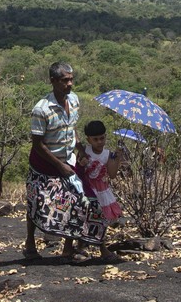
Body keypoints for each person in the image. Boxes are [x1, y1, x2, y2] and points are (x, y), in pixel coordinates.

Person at [24, 61, 97, 261]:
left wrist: (80, 148)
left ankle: (68, 247)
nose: (70, 84)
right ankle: (30, 243)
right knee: (35, 202)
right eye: (65, 80)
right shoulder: (42, 109)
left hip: (67, 158)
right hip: (44, 163)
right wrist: (59, 165)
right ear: (53, 81)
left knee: (76, 200)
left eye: (71, 79)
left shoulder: (73, 101)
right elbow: (38, 144)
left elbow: (71, 128)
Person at [75, 119, 125, 263]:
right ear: (89, 139)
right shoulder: (84, 151)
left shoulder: (108, 154)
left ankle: (101, 247)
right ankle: (81, 245)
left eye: (102, 138)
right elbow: (79, 171)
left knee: (102, 220)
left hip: (102, 191)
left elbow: (113, 174)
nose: (99, 142)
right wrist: (81, 163)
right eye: (95, 139)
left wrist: (118, 158)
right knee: (84, 218)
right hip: (87, 189)